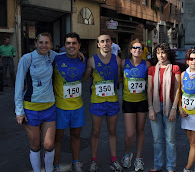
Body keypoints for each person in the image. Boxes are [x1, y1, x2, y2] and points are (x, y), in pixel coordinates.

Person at [14, 32, 58, 172]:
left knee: (49, 145)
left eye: (47, 43)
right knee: (35, 145)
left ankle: (49, 170)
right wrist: (19, 111)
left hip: (49, 107)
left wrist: (79, 54)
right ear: (36, 44)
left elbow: (67, 56)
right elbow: (19, 86)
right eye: (41, 42)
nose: (44, 46)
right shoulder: (27, 59)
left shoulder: (52, 55)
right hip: (31, 109)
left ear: (50, 45)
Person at [83, 33, 123, 172]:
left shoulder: (117, 60)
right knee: (95, 131)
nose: (105, 43)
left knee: (112, 131)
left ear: (111, 43)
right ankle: (94, 160)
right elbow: (84, 78)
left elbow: (118, 79)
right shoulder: (91, 61)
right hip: (97, 102)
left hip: (112, 101)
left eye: (107, 41)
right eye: (102, 41)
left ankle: (114, 159)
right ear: (98, 44)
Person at [52, 33, 86, 172]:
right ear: (64, 46)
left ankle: (76, 162)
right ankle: (56, 165)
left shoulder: (83, 60)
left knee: (76, 136)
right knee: (58, 138)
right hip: (60, 107)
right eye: (68, 43)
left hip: (78, 107)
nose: (71, 46)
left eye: (74, 43)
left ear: (79, 45)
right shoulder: (55, 59)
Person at [147, 43, 181, 172]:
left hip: (169, 106)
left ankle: (171, 166)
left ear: (168, 53)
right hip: (155, 107)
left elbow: (178, 89)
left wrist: (174, 108)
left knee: (170, 140)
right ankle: (158, 165)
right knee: (157, 139)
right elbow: (149, 89)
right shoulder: (152, 70)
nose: (161, 55)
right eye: (158, 53)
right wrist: (150, 108)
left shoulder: (175, 68)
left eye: (163, 52)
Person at [120, 39, 151, 171]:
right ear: (131, 50)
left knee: (140, 131)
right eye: (135, 48)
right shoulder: (123, 63)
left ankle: (138, 158)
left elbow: (150, 84)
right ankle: (127, 154)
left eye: (140, 48)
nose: (137, 50)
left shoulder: (147, 64)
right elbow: (118, 78)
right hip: (128, 101)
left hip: (142, 102)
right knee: (129, 133)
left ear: (142, 51)